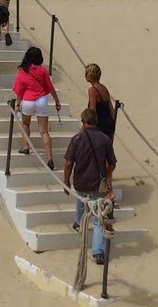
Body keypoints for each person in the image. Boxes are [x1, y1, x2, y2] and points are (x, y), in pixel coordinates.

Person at [63, 109, 116, 265]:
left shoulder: (77, 138)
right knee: (98, 218)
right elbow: (112, 163)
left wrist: (66, 181)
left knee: (81, 200)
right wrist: (106, 175)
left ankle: (79, 223)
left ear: (83, 121)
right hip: (97, 183)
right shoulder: (105, 139)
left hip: (81, 181)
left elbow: (68, 163)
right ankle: (98, 252)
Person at [12, 47, 62, 171]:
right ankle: (49, 157)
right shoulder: (43, 70)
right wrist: (57, 101)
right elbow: (50, 88)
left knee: (25, 124)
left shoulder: (22, 71)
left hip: (28, 100)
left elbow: (19, 90)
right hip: (41, 100)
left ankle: (26, 147)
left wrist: (18, 104)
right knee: (44, 131)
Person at [85, 64, 115, 140]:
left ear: (91, 75)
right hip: (108, 127)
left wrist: (84, 129)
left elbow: (92, 113)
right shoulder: (104, 89)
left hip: (99, 128)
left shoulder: (92, 90)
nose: (85, 76)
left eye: (86, 73)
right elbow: (112, 112)